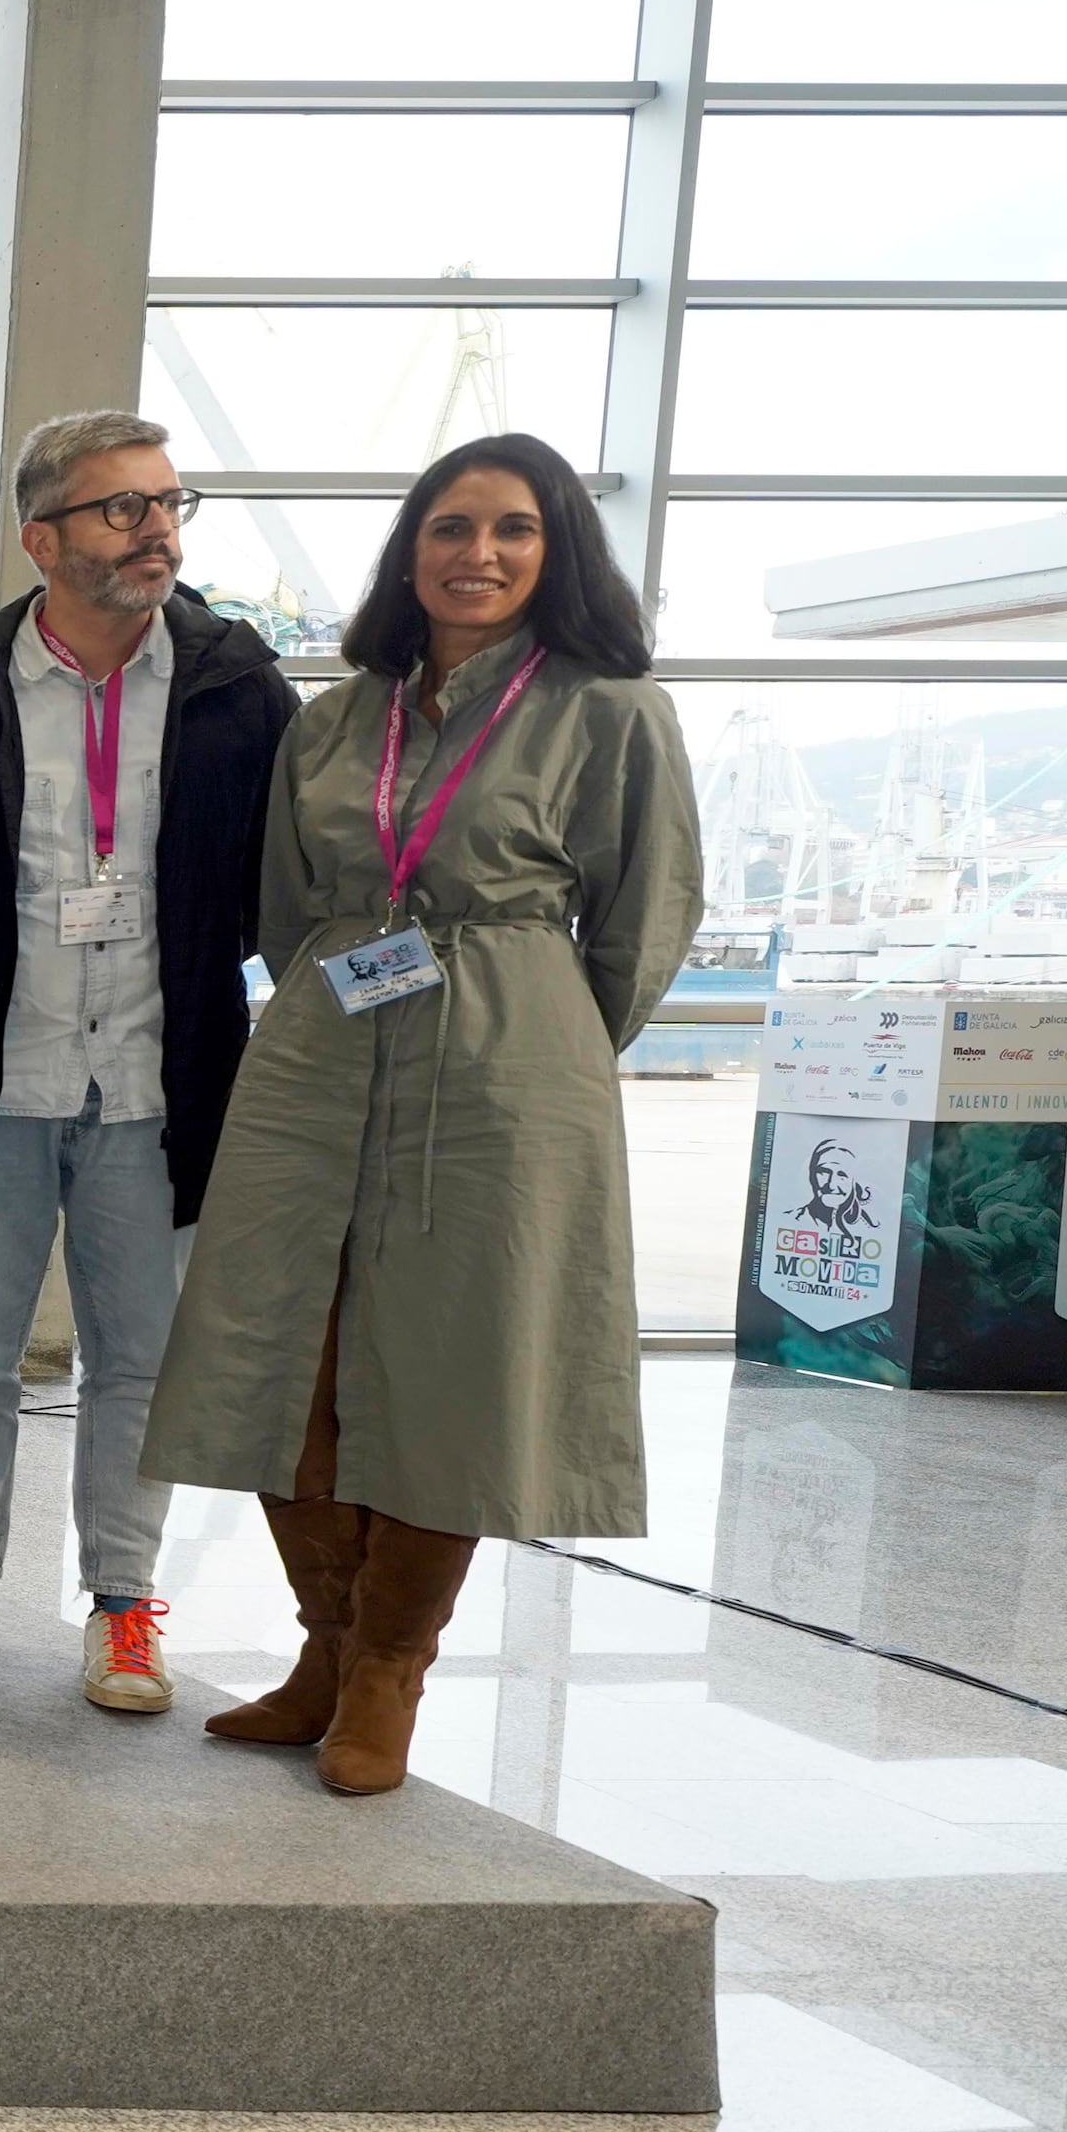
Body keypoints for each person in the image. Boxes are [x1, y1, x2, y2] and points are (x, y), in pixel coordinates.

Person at [144, 432, 700, 1797]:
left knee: (452, 1369)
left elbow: (642, 924)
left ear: (558, 551)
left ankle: (392, 1666)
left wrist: (545, 1038)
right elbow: (285, 901)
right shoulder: (341, 712)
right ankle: (324, 1649)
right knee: (285, 1355)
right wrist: (337, 1000)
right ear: (413, 550)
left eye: (515, 529)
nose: (481, 554)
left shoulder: (611, 705)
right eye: (452, 528)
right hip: (324, 1043)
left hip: (506, 1061)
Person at [0, 415, 295, 1719]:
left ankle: (124, 1608)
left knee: (141, 1358)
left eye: (169, 502)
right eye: (122, 509)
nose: (156, 529)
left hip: (157, 1083)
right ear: (42, 538)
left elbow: (280, 882)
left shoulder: (239, 688)